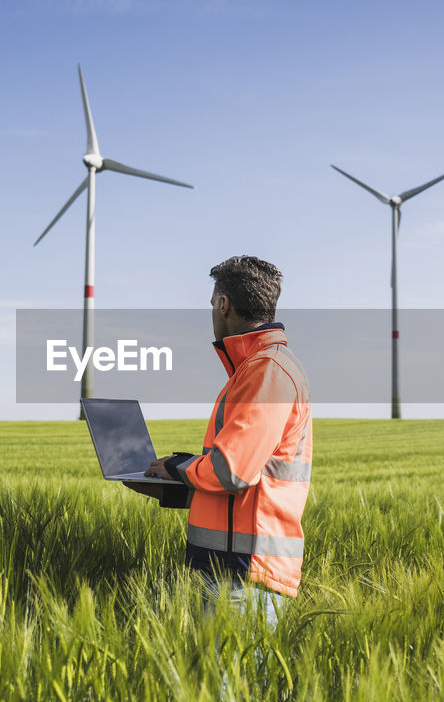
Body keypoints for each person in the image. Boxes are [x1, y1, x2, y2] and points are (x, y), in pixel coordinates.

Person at [133, 255, 312, 624]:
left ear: (222, 304)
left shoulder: (267, 370)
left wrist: (177, 466)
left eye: (212, 305)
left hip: (241, 578)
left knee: (226, 684)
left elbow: (230, 470)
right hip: (229, 571)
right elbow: (243, 483)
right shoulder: (255, 369)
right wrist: (173, 485)